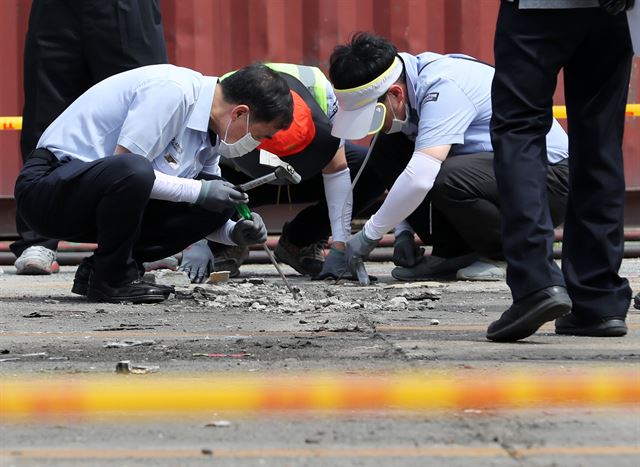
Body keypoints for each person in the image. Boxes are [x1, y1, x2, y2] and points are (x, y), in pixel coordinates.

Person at [14, 63, 293, 303]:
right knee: (141, 170)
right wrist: (200, 190)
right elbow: (128, 170)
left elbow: (196, 202)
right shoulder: (173, 91)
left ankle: (101, 271)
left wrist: (233, 231)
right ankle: (113, 277)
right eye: (260, 135)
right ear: (240, 114)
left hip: (98, 197)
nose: (256, 144)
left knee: (219, 199)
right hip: (48, 189)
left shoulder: (210, 131)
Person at [328, 32, 570, 283]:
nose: (373, 127)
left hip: (550, 179)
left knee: (446, 177)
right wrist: (403, 233)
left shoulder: (443, 85)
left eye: (373, 117)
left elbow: (420, 177)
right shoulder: (408, 88)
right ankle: (454, 254)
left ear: (396, 94)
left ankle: (509, 255)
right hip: (500, 176)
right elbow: (405, 169)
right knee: (386, 147)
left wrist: (368, 236)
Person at [488, 0, 634, 341]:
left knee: (519, 128)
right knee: (600, 138)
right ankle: (599, 300)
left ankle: (536, 282)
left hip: (536, 7)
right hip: (612, 9)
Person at [176, 63, 386, 282]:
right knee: (215, 187)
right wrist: (194, 240)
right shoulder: (228, 109)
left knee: (369, 167)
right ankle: (223, 246)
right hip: (238, 174)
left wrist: (340, 247)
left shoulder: (322, 94)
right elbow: (191, 177)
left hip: (301, 175)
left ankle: (300, 241)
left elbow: (337, 171)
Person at [12, 0, 169, 275]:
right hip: (56, 8)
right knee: (46, 111)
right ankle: (37, 238)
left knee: (142, 106)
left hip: (126, 7)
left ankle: (145, 240)